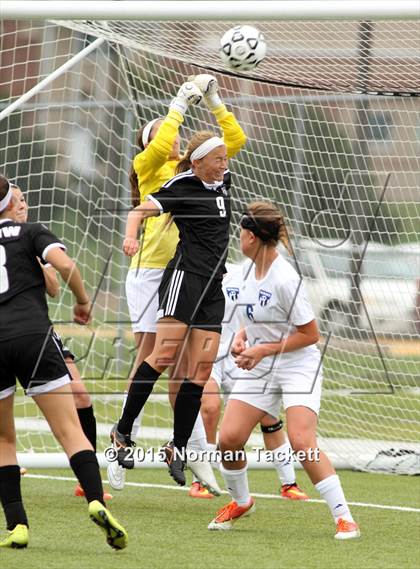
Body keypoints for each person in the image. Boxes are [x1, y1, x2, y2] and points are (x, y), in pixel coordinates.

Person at [108, 75, 246, 495]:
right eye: (217, 157)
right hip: (168, 276)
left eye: (224, 158)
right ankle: (121, 435)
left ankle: (180, 446)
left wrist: (215, 99)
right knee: (158, 355)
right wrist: (180, 102)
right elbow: (140, 208)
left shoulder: (216, 176)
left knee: (198, 372)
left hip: (210, 285)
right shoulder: (164, 175)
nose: (225, 162)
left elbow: (232, 141)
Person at [207, 201, 360, 540]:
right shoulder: (244, 272)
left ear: (253, 237)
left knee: (301, 441)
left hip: (297, 364)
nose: (238, 239)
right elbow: (252, 322)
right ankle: (242, 501)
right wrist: (242, 341)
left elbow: (310, 334)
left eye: (241, 234)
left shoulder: (285, 279)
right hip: (262, 363)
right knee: (229, 439)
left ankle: (344, 518)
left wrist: (263, 350)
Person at [0, 175, 127, 549]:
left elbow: (50, 282)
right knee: (69, 430)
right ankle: (96, 501)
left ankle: (17, 526)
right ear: (11, 203)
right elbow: (66, 269)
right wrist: (84, 301)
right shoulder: (30, 233)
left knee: (4, 439)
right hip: (34, 336)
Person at [10, 184, 112, 501]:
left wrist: (37, 260)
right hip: (7, 334)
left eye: (25, 199)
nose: (23, 205)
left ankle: (88, 480)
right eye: (17, 201)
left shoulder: (32, 239)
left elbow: (53, 288)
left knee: (80, 395)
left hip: (37, 332)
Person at [201, 262, 309, 500]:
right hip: (206, 353)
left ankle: (288, 482)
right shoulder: (192, 272)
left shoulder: (243, 272)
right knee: (209, 408)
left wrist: (247, 338)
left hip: (239, 354)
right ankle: (203, 479)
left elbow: (253, 309)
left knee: (268, 415)